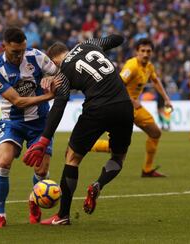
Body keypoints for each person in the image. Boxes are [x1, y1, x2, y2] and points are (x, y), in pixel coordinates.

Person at [23, 34, 134, 225]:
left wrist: (44, 139)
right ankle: (99, 183)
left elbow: (59, 106)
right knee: (118, 157)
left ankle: (63, 215)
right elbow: (119, 38)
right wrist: (102, 44)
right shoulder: (90, 44)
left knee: (72, 158)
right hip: (124, 105)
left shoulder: (63, 72)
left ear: (54, 60)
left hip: (97, 109)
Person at [0, 26, 60, 228]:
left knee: (41, 171)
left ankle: (35, 200)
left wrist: (52, 79)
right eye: (14, 52)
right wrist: (48, 95)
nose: (20, 55)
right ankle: (0, 215)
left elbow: (63, 74)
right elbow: (18, 101)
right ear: (4, 47)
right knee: (4, 161)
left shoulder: (36, 57)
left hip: (41, 122)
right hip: (13, 122)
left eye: (22, 50)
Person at [91, 38, 173, 177]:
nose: (146, 54)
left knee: (155, 133)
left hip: (135, 108)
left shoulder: (149, 66)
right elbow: (117, 85)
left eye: (148, 51)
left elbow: (155, 80)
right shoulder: (132, 66)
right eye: (142, 51)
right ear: (137, 52)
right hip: (121, 107)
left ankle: (147, 169)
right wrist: (131, 100)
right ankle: (84, 145)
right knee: (116, 148)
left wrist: (166, 99)